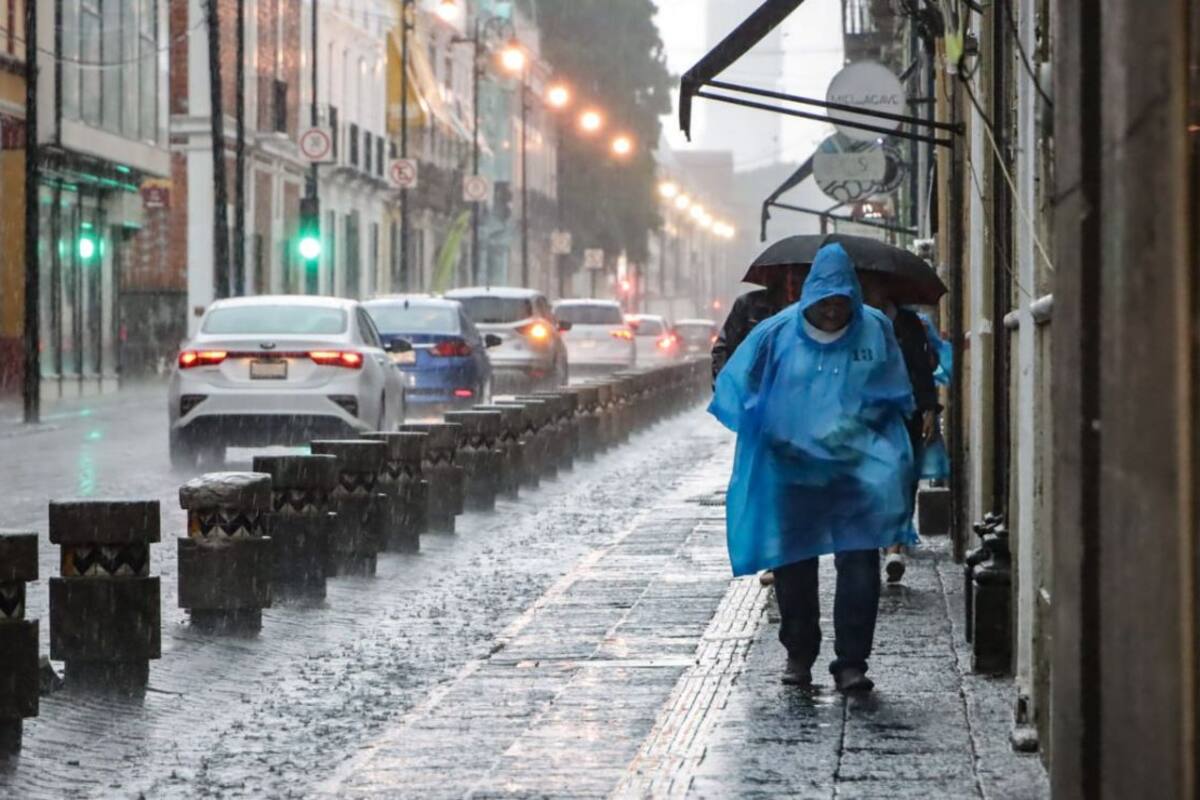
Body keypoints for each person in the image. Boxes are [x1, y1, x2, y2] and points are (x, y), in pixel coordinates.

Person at [709, 243, 917, 692]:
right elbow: (737, 386)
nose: (833, 312)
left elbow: (894, 392)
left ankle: (851, 662)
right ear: (811, 297)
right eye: (825, 303)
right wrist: (771, 426)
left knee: (860, 564)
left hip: (854, 471)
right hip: (792, 470)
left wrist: (868, 434)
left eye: (842, 303)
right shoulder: (775, 334)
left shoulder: (875, 330)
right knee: (794, 566)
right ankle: (799, 654)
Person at [858, 274, 940, 584]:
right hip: (868, 416)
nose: (870, 291)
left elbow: (921, 368)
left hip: (906, 412)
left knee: (905, 476)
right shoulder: (856, 322)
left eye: (874, 286)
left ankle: (894, 546)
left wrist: (929, 407)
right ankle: (883, 538)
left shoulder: (908, 323)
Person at [710, 266, 805, 381]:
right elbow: (723, 348)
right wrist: (724, 386)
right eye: (788, 276)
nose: (791, 283)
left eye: (797, 277)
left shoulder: (809, 311)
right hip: (749, 388)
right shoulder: (748, 304)